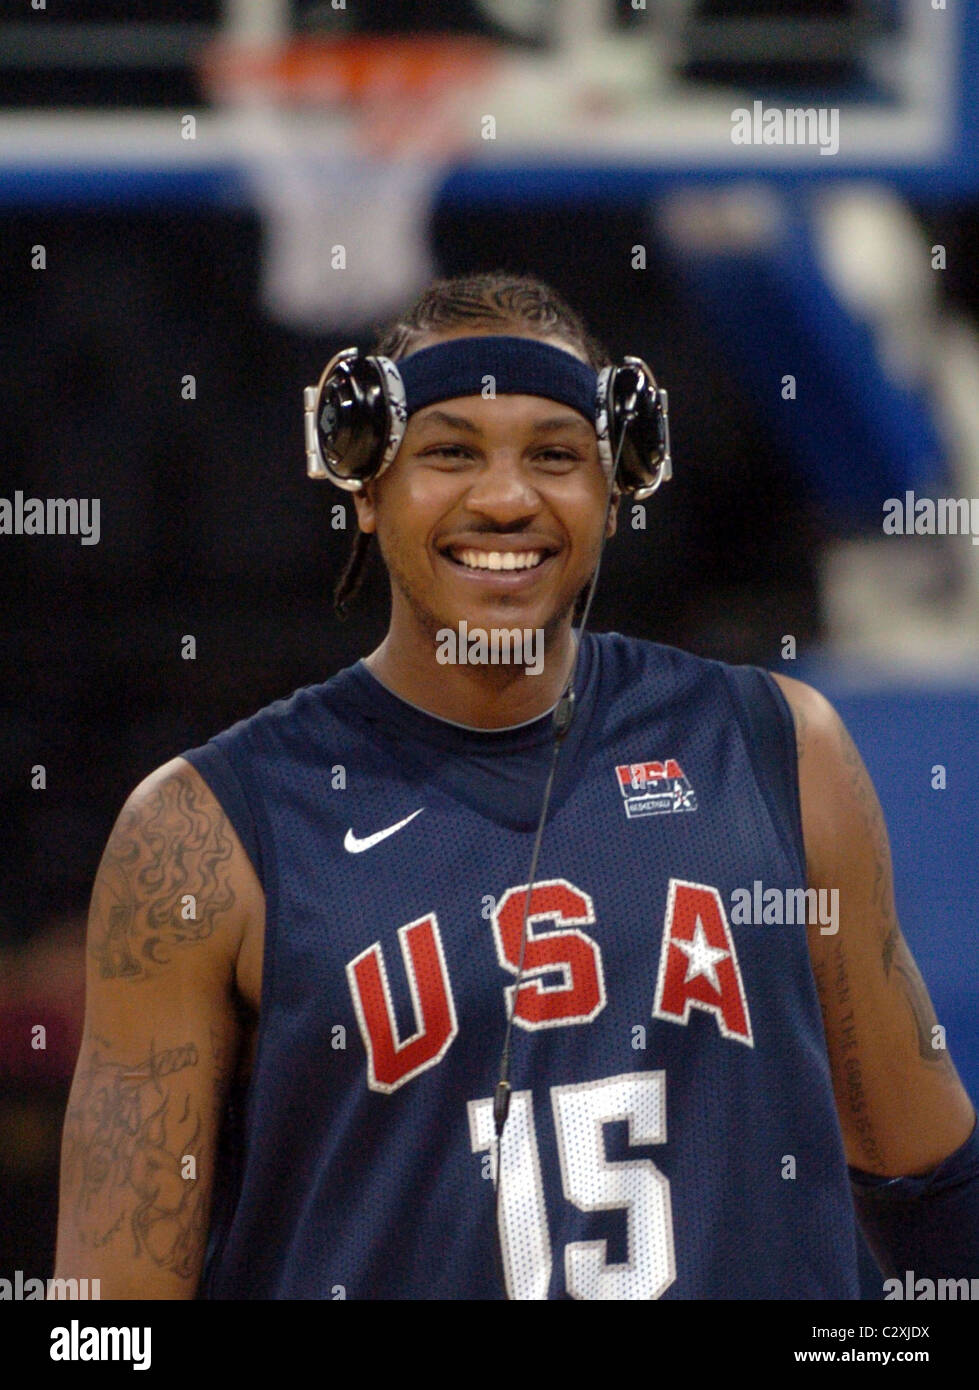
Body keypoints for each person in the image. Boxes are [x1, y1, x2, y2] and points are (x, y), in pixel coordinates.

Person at [54, 272, 978, 1300]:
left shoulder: (775, 747)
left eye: (555, 455)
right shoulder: (205, 834)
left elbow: (927, 1180)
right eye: (449, 452)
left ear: (616, 486)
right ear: (364, 483)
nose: (504, 498)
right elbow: (108, 1317)